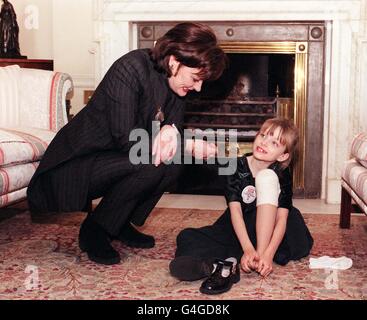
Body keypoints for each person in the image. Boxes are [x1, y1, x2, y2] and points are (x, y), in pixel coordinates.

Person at [27, 22, 227, 265]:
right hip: (75, 165)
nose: (198, 87)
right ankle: (95, 230)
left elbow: (170, 134)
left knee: (171, 161)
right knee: (151, 162)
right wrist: (189, 145)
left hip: (116, 161)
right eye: (196, 78)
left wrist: (171, 132)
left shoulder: (175, 86)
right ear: (174, 61)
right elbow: (129, 141)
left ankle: (118, 222)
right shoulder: (131, 67)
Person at [170, 118, 314, 285]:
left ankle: (249, 256)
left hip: (273, 224)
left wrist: (267, 254)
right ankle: (214, 265)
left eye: (274, 143)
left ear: (283, 156)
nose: (264, 142)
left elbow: (281, 218)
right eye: (263, 135)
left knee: (295, 235)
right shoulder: (236, 167)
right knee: (187, 236)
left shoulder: (282, 174)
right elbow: (236, 211)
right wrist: (247, 248)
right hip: (241, 224)